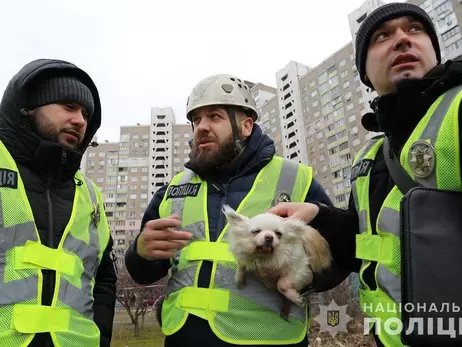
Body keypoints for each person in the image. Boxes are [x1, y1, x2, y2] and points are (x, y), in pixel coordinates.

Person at [268, 2, 462, 347]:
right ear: (365, 75)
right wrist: (320, 217)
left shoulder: (456, 111)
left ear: (436, 51)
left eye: (415, 29)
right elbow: (366, 248)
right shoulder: (369, 159)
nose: (402, 39)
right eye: (382, 36)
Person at [125, 74, 350, 346]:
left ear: (246, 126)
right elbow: (143, 271)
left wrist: (302, 278)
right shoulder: (173, 190)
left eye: (215, 117)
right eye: (196, 120)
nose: (201, 127)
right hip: (183, 338)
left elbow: (341, 256)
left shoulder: (295, 179)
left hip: (269, 340)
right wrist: (140, 253)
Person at [0, 59, 117, 347]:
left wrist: (100, 339)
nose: (79, 120)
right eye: (68, 106)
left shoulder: (90, 194)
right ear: (28, 110)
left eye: (85, 113)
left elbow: (103, 279)